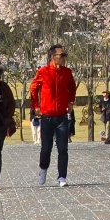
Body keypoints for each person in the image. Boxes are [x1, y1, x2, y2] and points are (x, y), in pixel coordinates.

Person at [29, 44, 77, 187]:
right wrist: (36, 106)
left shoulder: (67, 72)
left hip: (62, 116)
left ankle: (62, 177)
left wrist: (70, 102)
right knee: (46, 148)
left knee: (63, 148)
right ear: (52, 56)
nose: (63, 58)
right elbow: (33, 89)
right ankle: (43, 169)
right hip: (47, 116)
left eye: (64, 56)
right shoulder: (43, 72)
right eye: (61, 55)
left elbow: (72, 87)